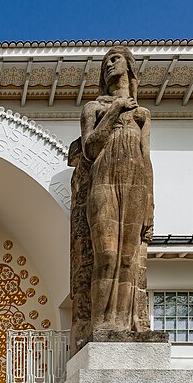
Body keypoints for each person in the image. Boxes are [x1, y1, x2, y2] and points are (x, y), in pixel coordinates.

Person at [81, 46, 153, 332]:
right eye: (106, 62)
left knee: (128, 258)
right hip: (104, 180)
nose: (110, 64)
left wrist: (151, 205)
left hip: (135, 183)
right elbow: (90, 149)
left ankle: (123, 324)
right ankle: (102, 325)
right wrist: (113, 112)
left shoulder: (143, 115)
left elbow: (146, 160)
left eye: (116, 59)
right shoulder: (94, 108)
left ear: (129, 66)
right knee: (107, 254)